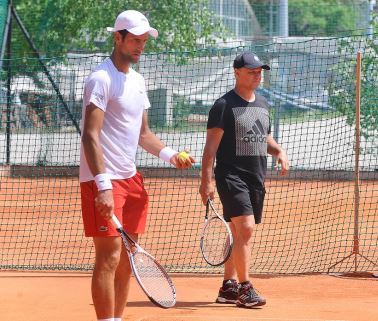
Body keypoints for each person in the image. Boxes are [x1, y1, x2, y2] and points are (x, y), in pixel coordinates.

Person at [79, 10, 194, 321]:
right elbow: (90, 135)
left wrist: (171, 155)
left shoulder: (139, 80)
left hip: (132, 180)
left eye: (144, 41)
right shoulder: (100, 79)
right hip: (103, 181)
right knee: (109, 256)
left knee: (127, 260)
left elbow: (143, 134)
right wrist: (102, 185)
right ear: (118, 38)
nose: (140, 47)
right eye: (135, 41)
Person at [199, 51, 289, 308]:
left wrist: (279, 150)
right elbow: (210, 150)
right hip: (230, 176)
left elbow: (264, 138)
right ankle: (245, 288)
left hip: (256, 178)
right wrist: (206, 182)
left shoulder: (262, 103)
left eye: (259, 71)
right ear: (236, 72)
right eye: (251, 71)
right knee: (246, 228)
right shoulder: (223, 105)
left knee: (238, 232)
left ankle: (228, 287)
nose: (257, 75)